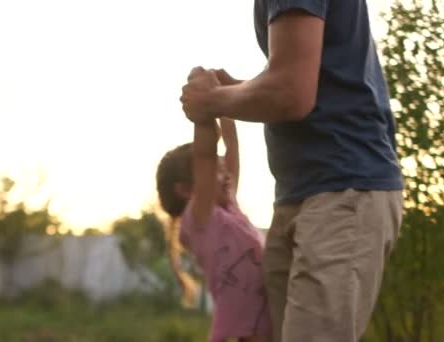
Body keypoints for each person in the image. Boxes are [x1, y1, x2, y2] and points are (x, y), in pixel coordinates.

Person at [179, 1, 405, 341]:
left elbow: (290, 92)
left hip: (341, 189)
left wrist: (212, 101)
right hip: (304, 193)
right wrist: (229, 92)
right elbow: (301, 80)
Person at [156, 110, 271, 342]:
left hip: (269, 317)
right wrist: (204, 113)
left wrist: (224, 104)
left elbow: (232, 148)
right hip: (246, 329)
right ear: (186, 191)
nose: (226, 174)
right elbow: (206, 155)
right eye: (217, 172)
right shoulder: (199, 220)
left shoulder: (229, 207)